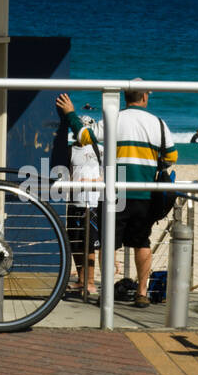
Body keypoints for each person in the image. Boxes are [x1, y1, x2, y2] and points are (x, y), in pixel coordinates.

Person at [56, 84, 177, 307]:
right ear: (145, 96)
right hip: (145, 192)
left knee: (108, 244)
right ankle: (142, 293)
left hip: (115, 191)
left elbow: (84, 137)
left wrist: (71, 113)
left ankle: (108, 293)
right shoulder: (158, 124)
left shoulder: (115, 119)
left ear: (126, 96)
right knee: (142, 241)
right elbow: (171, 157)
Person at [54, 99, 102, 298]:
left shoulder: (99, 149)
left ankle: (90, 282)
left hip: (92, 203)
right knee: (75, 242)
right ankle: (82, 280)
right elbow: (66, 172)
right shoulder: (71, 150)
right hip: (74, 202)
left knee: (89, 243)